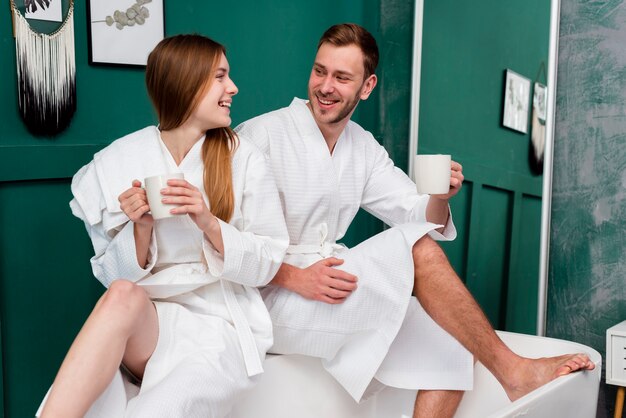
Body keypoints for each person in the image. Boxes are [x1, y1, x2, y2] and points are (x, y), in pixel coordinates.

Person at [235, 23, 594, 417]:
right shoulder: (259, 136)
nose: (325, 86)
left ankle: (510, 369)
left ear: (367, 87)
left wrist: (438, 198)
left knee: (457, 344)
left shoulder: (363, 146)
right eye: (320, 71)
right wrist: (296, 277)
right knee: (416, 249)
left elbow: (416, 213)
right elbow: (225, 242)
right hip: (275, 297)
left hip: (331, 282)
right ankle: (513, 370)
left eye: (342, 77)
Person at [38, 34, 288, 418]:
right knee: (121, 293)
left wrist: (208, 221)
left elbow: (267, 263)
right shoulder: (119, 159)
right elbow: (110, 275)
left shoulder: (245, 158)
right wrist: (141, 227)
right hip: (149, 323)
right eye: (220, 77)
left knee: (157, 409)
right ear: (187, 83)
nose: (233, 88)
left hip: (217, 324)